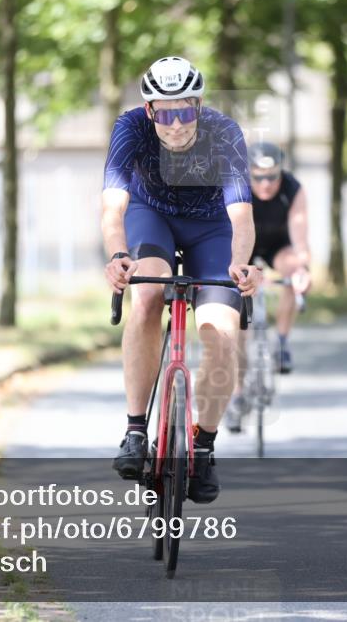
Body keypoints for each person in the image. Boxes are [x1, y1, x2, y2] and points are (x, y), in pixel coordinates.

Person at [101, 56, 261, 504]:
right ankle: (135, 430)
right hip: (151, 217)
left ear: (199, 106)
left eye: (185, 112)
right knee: (147, 295)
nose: (176, 125)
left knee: (222, 334)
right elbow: (113, 206)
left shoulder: (224, 132)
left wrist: (241, 264)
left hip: (212, 228)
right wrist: (118, 256)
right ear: (149, 110)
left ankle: (203, 446)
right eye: (165, 114)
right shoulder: (130, 128)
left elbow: (241, 216)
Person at [224, 142, 311, 432]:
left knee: (295, 271)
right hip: (243, 248)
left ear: (281, 173)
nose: (265, 184)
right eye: (258, 177)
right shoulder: (237, 188)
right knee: (240, 325)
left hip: (278, 245)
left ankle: (282, 342)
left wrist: (302, 269)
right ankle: (237, 394)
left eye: (272, 177)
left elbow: (300, 239)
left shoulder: (293, 189)